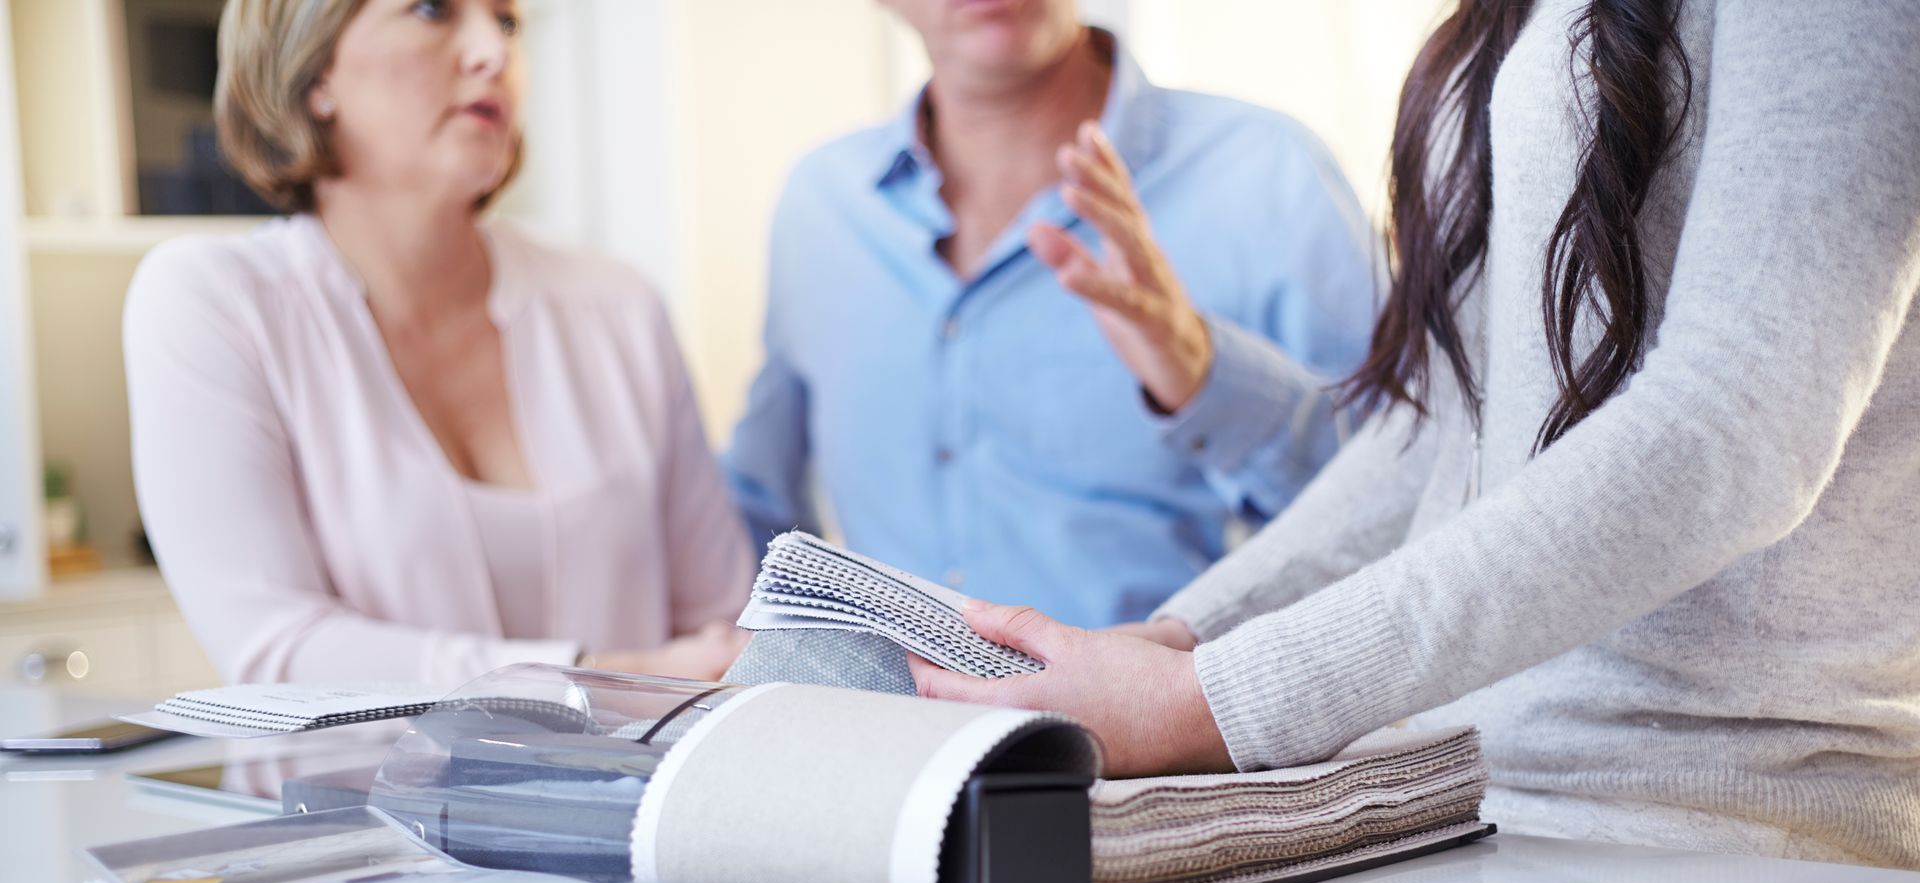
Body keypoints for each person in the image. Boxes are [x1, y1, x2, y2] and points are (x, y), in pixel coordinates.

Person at [913, 0, 1920, 868]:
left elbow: (1730, 427)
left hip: (1720, 827)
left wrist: (1203, 699)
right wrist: (1178, 640)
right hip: (1473, 798)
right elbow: (1438, 431)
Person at [125, 0, 754, 688]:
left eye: (508, 21)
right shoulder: (213, 303)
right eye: (432, 10)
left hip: (640, 795)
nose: (494, 52)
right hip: (345, 798)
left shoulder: (619, 307)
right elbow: (274, 650)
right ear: (313, 70)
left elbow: (720, 630)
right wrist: (601, 679)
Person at [724, 2, 1377, 628]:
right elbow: (757, 515)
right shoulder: (820, 204)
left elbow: (1400, 503)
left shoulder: (1266, 172)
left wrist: (1206, 374)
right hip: (887, 732)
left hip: (1176, 732)